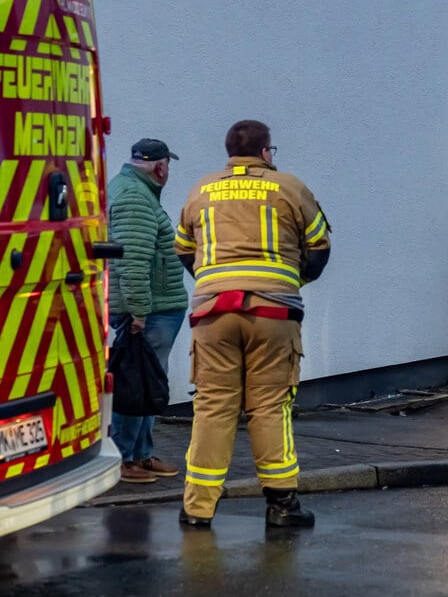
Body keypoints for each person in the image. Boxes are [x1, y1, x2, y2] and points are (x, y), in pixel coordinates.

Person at [175, 120, 331, 528]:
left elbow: (183, 250)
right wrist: (292, 282)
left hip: (212, 313)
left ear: (230, 153)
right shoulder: (289, 188)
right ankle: (282, 506)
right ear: (266, 152)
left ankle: (196, 509)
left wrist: (213, 284)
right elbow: (319, 247)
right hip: (273, 313)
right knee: (269, 406)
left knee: (211, 407)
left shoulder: (201, 190)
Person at [107, 138, 188, 484]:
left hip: (155, 309)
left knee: (147, 384)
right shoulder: (135, 200)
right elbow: (132, 262)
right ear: (160, 167)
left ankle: (140, 454)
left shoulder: (134, 192)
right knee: (134, 385)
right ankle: (125, 458)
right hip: (148, 312)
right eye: (167, 165)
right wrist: (139, 312)